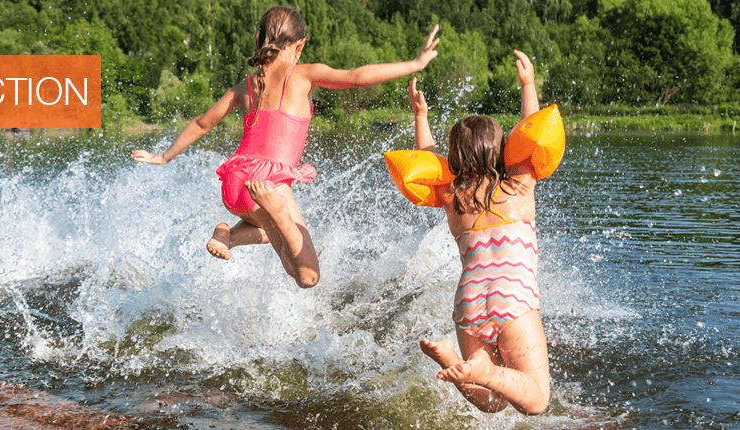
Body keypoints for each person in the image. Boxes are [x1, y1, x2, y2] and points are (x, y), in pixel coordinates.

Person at [132, 5, 441, 289]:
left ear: (259, 39)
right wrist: (416, 63)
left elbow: (202, 123)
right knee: (307, 276)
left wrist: (163, 156)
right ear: (300, 45)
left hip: (234, 183)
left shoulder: (246, 85)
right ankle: (273, 218)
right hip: (268, 185)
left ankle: (228, 234)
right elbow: (357, 77)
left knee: (267, 232)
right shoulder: (303, 75)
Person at [412, 50, 551, 415]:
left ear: (455, 159)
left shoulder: (451, 199)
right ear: (501, 151)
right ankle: (483, 372)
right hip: (512, 297)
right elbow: (532, 129)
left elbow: (429, 162)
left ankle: (452, 361)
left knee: (491, 405)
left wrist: (420, 116)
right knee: (536, 400)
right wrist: (527, 84)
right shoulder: (518, 187)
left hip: (469, 301)